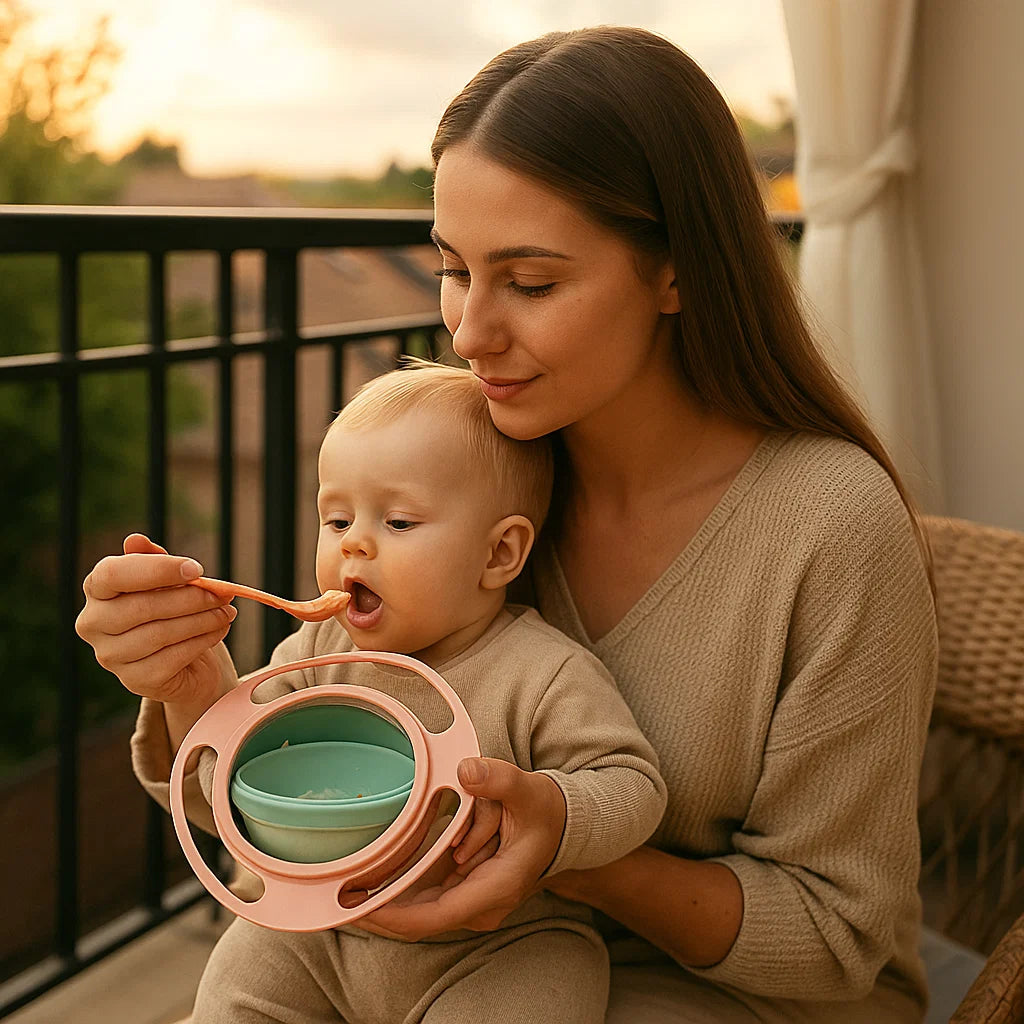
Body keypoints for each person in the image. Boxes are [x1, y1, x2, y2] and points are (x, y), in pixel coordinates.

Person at [75, 25, 938, 1024]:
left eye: (529, 282)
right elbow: (296, 789)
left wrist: (568, 856)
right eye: (452, 270)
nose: (469, 333)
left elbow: (834, 943)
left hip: (734, 994)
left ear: (677, 271)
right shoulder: (461, 478)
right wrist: (188, 681)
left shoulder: (830, 529)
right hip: (436, 967)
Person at [116, 361, 668, 1023]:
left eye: (398, 523)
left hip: (496, 947)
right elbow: (229, 781)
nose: (356, 548)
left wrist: (554, 805)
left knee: (558, 978)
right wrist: (195, 690)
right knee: (239, 970)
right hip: (316, 937)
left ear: (499, 555)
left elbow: (635, 786)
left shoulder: (541, 672)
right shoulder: (317, 653)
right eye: (337, 520)